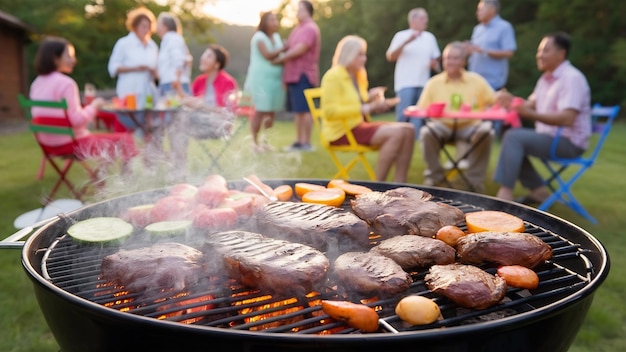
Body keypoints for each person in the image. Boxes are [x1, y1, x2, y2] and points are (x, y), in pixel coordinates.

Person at [494, 32, 591, 204]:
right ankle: (539, 192)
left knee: (514, 138)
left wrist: (529, 113)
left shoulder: (571, 78)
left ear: (561, 54)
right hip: (550, 138)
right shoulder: (545, 79)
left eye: (545, 50)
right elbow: (528, 104)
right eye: (539, 51)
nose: (539, 55)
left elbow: (567, 118)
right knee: (510, 135)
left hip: (568, 143)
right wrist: (510, 100)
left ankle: (505, 195)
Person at [320, 35, 415, 183]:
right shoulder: (333, 76)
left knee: (409, 129)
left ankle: (400, 184)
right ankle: (379, 185)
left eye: (364, 54)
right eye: (360, 54)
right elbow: (329, 112)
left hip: (358, 125)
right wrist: (365, 108)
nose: (364, 59)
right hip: (342, 131)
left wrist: (371, 97)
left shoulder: (358, 74)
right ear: (348, 54)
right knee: (396, 133)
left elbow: (359, 100)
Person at [29, 36, 137, 163]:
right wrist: (94, 106)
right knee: (125, 139)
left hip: (47, 144)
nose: (74, 60)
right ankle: (127, 179)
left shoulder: (36, 84)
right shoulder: (66, 84)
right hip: (72, 143)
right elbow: (76, 120)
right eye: (69, 56)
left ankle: (102, 178)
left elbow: (43, 115)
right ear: (55, 58)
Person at [416, 41, 499, 192]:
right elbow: (422, 110)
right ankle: (435, 178)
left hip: (471, 126)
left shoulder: (477, 80)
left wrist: (501, 100)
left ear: (463, 61)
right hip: (442, 126)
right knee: (426, 132)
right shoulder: (433, 83)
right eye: (447, 58)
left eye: (454, 58)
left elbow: (494, 101)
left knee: (487, 131)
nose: (450, 62)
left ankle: (474, 181)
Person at [167, 44, 238, 172]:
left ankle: (179, 167)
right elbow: (188, 101)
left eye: (208, 56)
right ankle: (179, 165)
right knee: (177, 121)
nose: (203, 58)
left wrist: (203, 105)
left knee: (180, 121)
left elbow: (228, 112)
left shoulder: (228, 82)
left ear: (217, 64)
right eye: (204, 55)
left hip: (219, 125)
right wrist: (178, 87)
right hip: (198, 123)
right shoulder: (200, 80)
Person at [272, 0, 321, 152]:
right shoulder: (297, 29)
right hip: (293, 75)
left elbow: (300, 49)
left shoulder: (310, 28)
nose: (297, 12)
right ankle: (299, 142)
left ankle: (306, 142)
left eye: (300, 9)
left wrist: (280, 59)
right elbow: (289, 46)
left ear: (308, 11)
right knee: (298, 110)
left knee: (305, 109)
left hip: (303, 74)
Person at [386, 8, 441, 136]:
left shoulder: (429, 37)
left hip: (424, 84)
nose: (426, 21)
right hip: (405, 83)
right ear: (413, 20)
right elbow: (390, 56)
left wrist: (434, 65)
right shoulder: (401, 36)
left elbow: (436, 63)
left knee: (419, 117)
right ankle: (399, 139)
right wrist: (407, 42)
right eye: (423, 18)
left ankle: (414, 143)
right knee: (403, 116)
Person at [466, 0, 516, 140]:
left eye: (480, 9)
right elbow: (476, 51)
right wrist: (470, 50)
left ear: (492, 10)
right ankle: (475, 138)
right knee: (476, 113)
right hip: (475, 79)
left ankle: (492, 140)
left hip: (493, 80)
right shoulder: (478, 29)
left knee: (493, 114)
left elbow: (509, 52)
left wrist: (483, 51)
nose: (477, 13)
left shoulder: (504, 27)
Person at [107, 7, 159, 131]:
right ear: (135, 26)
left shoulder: (153, 46)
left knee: (148, 129)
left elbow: (157, 71)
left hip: (148, 93)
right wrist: (135, 68)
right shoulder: (124, 43)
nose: (147, 30)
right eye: (143, 26)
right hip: (129, 90)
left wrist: (154, 72)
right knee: (129, 126)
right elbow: (112, 68)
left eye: (149, 26)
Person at [243, 11, 287, 152]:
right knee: (260, 110)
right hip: (260, 80)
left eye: (276, 19)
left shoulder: (276, 36)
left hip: (274, 80)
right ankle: (254, 143)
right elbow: (268, 55)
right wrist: (284, 48)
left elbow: (280, 57)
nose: (275, 22)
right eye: (271, 19)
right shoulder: (259, 37)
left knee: (271, 111)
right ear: (264, 22)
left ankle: (265, 142)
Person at [155, 12, 192, 97]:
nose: (156, 27)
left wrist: (176, 79)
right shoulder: (167, 40)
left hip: (173, 85)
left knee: (175, 110)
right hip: (169, 83)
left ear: (165, 26)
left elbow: (179, 60)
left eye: (158, 24)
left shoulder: (172, 38)